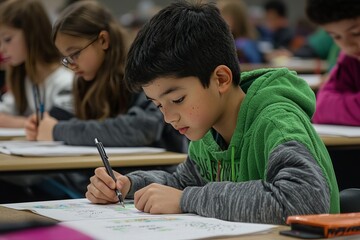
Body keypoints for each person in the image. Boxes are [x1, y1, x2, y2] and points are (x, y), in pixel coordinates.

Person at [85, 1, 339, 224]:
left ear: (220, 79)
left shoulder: (277, 122)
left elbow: (304, 201)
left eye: (177, 99)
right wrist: (129, 185)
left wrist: (188, 200)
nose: (168, 117)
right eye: (158, 105)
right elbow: (184, 182)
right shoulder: (207, 131)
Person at [25, 1, 186, 153]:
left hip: (152, 174)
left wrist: (56, 130)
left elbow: (142, 128)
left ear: (103, 40)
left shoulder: (140, 76)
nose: (72, 65)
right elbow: (64, 117)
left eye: (75, 54)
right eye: (66, 59)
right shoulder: (85, 80)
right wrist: (41, 125)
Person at [0, 0, 74, 128]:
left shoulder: (66, 81)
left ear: (31, 34)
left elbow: (51, 125)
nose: (2, 49)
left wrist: (27, 123)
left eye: (7, 39)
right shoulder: (24, 79)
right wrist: (28, 123)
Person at [306, 0, 360, 126]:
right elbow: (320, 106)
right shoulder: (350, 59)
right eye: (336, 36)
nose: (348, 46)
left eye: (356, 33)